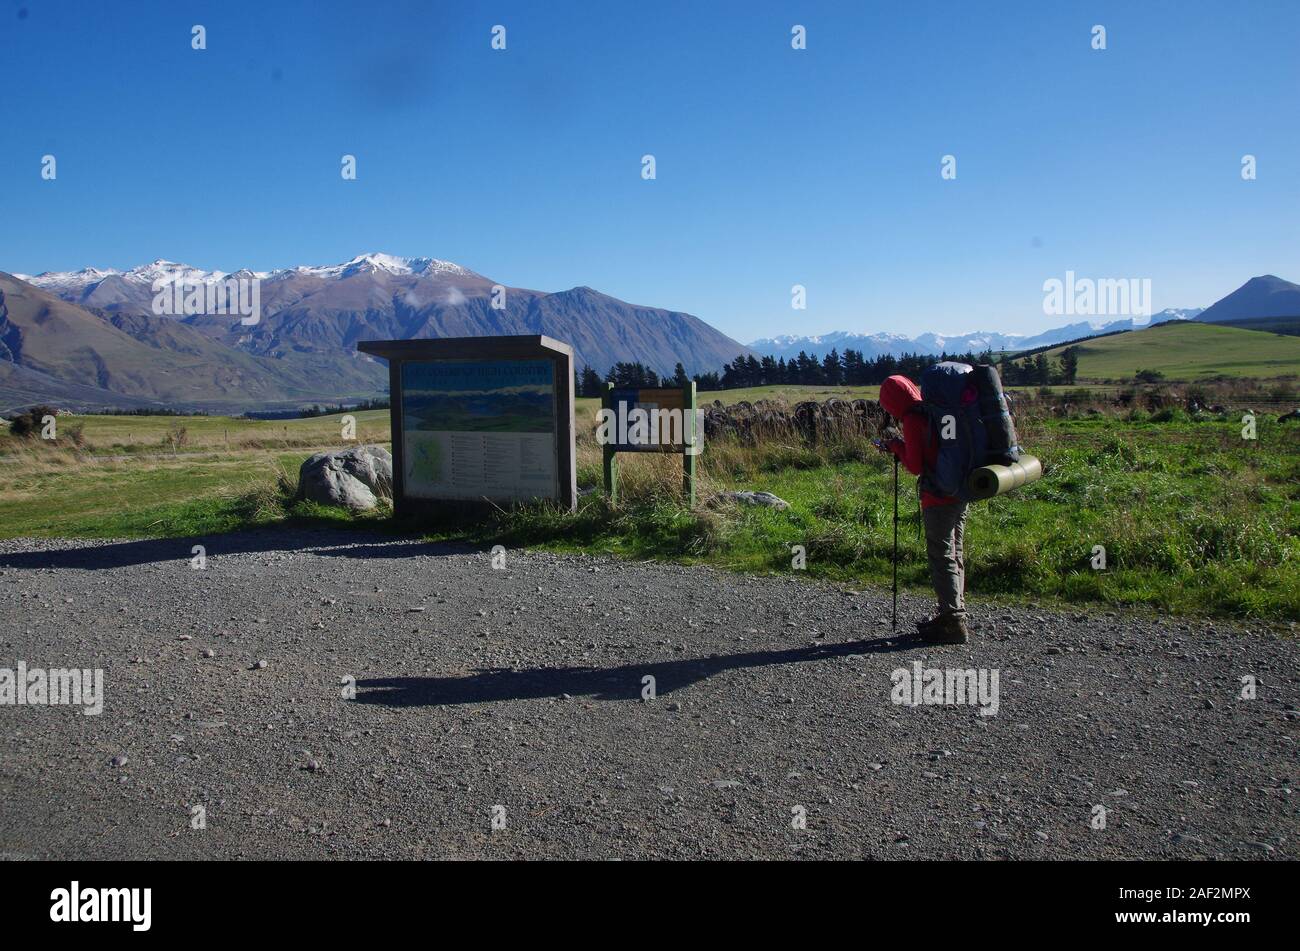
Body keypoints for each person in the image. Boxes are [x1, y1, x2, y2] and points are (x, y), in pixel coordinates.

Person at [877, 374, 970, 645]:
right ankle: (955, 611)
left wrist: (894, 445)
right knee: (956, 552)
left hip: (937, 496)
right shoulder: (934, 411)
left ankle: (952, 620)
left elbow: (916, 465)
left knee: (941, 556)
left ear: (893, 401)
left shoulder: (912, 419)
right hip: (959, 490)